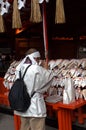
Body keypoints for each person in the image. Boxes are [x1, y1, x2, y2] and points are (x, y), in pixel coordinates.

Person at [14, 48, 55, 130]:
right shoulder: (37, 69)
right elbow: (49, 78)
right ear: (35, 58)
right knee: (37, 127)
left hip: (22, 104)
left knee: (25, 127)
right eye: (38, 59)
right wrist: (46, 68)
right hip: (35, 106)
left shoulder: (19, 68)